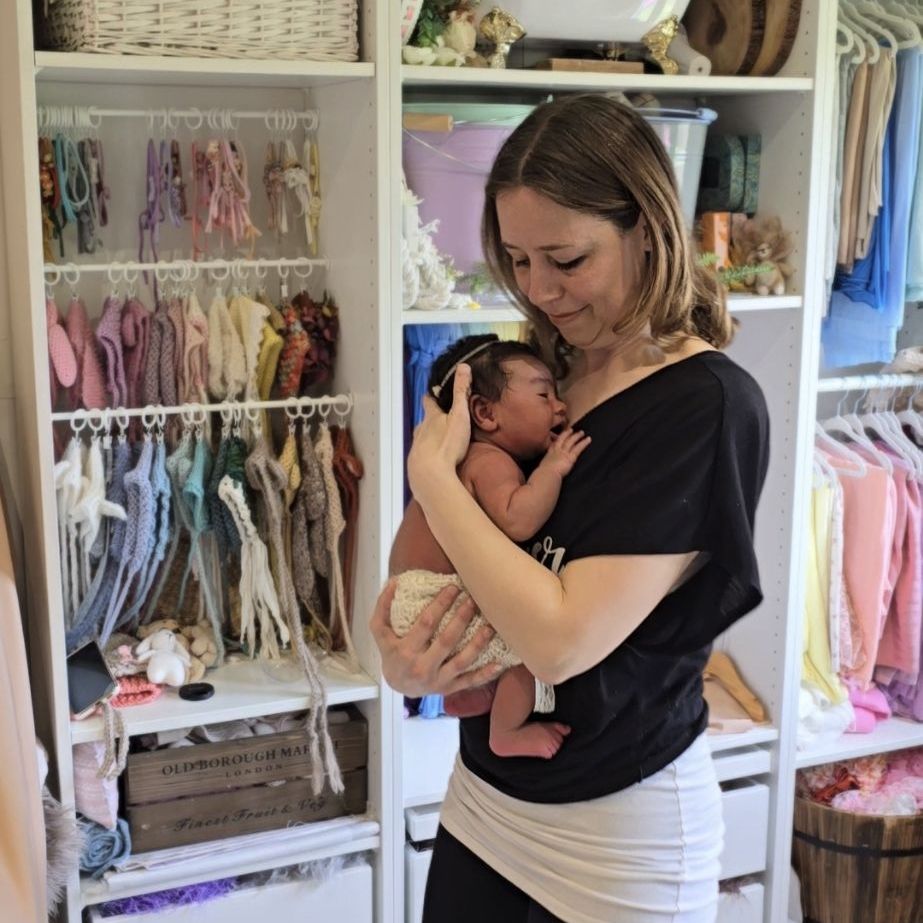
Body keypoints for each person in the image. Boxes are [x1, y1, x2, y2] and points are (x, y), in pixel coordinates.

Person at [371, 93, 770, 923]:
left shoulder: (703, 407)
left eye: (565, 258)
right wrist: (407, 654)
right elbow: (440, 561)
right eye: (516, 260)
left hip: (619, 840)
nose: (538, 290)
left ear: (647, 232)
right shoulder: (534, 376)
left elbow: (555, 642)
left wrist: (434, 479)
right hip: (483, 798)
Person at [389, 333, 590, 758]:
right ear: (484, 412)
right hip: (434, 602)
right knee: (530, 651)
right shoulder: (488, 461)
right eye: (543, 394)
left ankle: (471, 695)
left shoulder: (463, 462)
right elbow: (519, 519)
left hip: (416, 604)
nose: (560, 407)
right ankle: (507, 731)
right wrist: (553, 469)